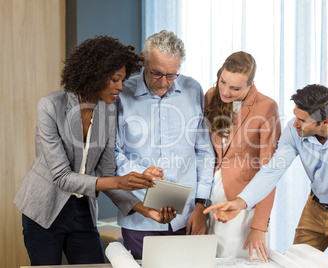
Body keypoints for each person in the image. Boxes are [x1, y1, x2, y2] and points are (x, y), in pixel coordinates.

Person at [14, 36, 158, 266]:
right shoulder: (51, 106)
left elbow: (108, 172)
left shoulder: (108, 112)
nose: (121, 86)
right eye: (114, 79)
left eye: (123, 79)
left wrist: (145, 209)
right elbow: (62, 177)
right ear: (95, 75)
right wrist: (119, 182)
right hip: (44, 209)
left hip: (82, 210)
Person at [204, 84, 328, 265]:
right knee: (295, 263)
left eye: (303, 120)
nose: (294, 123)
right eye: (295, 116)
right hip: (315, 206)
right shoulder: (294, 130)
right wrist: (240, 202)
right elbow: (273, 169)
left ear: (326, 122)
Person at [114, 30, 215, 259]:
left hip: (186, 216)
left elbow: (204, 153)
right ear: (143, 59)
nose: (163, 82)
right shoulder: (121, 94)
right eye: (156, 73)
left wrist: (201, 206)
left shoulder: (193, 89)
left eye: (171, 75)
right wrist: (143, 174)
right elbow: (113, 154)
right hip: (139, 216)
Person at [204, 51, 281, 263]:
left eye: (235, 88)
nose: (226, 91)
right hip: (209, 196)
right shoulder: (211, 96)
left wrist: (259, 225)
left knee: (235, 261)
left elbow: (270, 171)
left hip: (243, 202)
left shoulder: (266, 107)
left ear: (250, 85)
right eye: (223, 82)